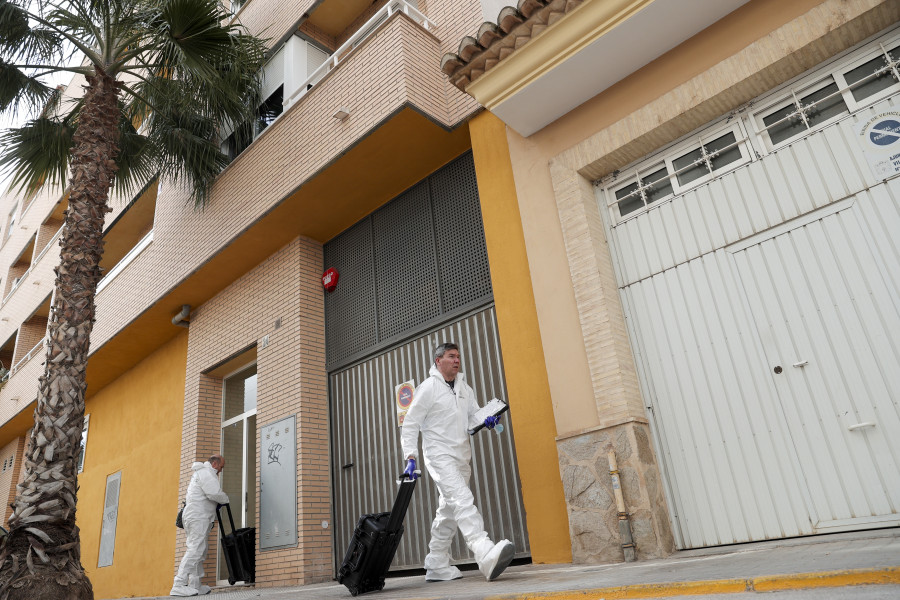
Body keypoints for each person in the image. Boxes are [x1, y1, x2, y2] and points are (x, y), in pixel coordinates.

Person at [400, 342, 514, 583]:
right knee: (462, 500)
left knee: (449, 511)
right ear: (438, 361)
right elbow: (410, 423)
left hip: (462, 455)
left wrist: (488, 419)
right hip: (439, 456)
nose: (457, 360)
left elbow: (472, 418)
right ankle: (484, 552)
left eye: (458, 357)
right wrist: (410, 457)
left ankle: (437, 562)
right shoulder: (428, 387)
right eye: (451, 356)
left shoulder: (465, 388)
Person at [171, 454, 229, 597]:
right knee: (195, 549)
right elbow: (214, 493)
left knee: (200, 550)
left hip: (197, 516)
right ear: (215, 464)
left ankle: (195, 584)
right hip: (198, 516)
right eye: (221, 467)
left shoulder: (203, 473)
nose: (221, 470)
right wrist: (226, 499)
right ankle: (179, 584)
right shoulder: (206, 473)